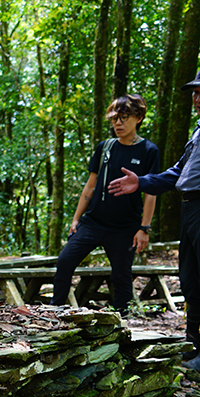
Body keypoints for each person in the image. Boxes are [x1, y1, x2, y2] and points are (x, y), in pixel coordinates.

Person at [107, 61, 200, 373]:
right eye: (195, 92)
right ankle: (193, 345)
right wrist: (141, 182)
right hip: (192, 208)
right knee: (191, 281)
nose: (198, 98)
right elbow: (180, 172)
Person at [52, 94, 159, 315]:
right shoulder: (105, 147)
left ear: (138, 118)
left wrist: (144, 228)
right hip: (93, 222)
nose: (117, 123)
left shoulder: (149, 151)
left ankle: (122, 324)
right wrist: (76, 219)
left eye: (124, 118)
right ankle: (56, 312)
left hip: (125, 228)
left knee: (121, 277)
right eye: (114, 119)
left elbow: (151, 193)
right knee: (64, 262)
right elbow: (90, 186)